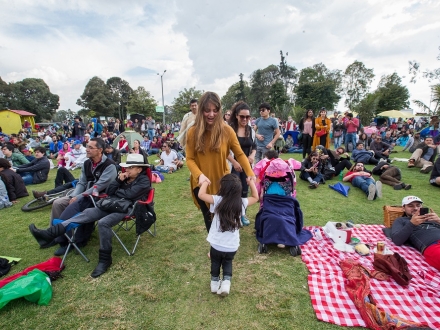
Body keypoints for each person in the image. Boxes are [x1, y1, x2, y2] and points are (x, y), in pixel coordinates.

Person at [29, 153, 151, 278]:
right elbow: (109, 191)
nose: (127, 170)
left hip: (129, 208)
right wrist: (118, 180)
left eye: (131, 167)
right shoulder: (123, 177)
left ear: (139, 169)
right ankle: (49, 234)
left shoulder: (144, 181)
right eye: (127, 167)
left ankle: (105, 260)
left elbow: (130, 195)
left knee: (104, 223)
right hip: (112, 204)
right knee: (88, 212)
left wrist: (117, 191)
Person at [186, 91, 255, 233]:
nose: (211, 114)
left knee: (222, 216)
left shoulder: (227, 131)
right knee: (209, 218)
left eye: (215, 110)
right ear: (201, 111)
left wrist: (250, 173)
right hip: (202, 183)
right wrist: (199, 175)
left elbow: (240, 154)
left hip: (222, 183)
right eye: (207, 110)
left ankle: (222, 246)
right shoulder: (192, 132)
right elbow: (189, 159)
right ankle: (214, 248)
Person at [47, 138, 118, 255]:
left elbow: (98, 187)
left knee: (77, 206)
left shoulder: (109, 166)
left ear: (100, 150)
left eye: (90, 147)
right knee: (58, 203)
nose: (87, 150)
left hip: (99, 197)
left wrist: (78, 197)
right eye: (87, 146)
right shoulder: (87, 163)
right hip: (83, 194)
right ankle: (55, 233)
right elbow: (81, 183)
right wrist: (74, 196)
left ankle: (69, 240)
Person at [198, 174, 259, 296]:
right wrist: (251, 182)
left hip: (216, 244)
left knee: (215, 262)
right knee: (227, 262)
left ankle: (214, 285)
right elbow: (255, 197)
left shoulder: (217, 200)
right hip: (232, 245)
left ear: (223, 187)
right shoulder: (241, 203)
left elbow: (201, 195)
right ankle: (226, 283)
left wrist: (205, 182)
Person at [391, 196, 440, 271]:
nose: (416, 208)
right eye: (411, 206)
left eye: (418, 205)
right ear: (403, 208)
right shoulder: (402, 220)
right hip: (432, 245)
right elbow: (397, 240)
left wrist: (439, 221)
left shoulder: (431, 218)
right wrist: (412, 224)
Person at [227, 101, 257, 226]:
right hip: (233, 166)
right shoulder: (230, 130)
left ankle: (242, 214)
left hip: (247, 166)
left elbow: (254, 146)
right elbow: (224, 150)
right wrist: (234, 162)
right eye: (242, 116)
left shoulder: (250, 130)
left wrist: (252, 156)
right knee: (234, 190)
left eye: (247, 117)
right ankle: (233, 215)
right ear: (236, 116)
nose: (245, 119)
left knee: (245, 190)